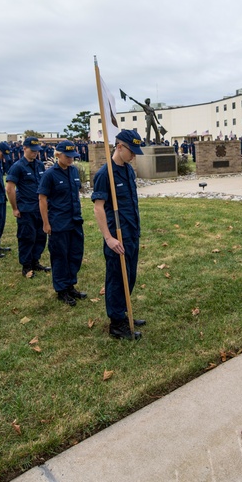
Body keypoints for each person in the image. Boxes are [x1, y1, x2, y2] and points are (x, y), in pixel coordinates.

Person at [91, 130, 146, 340]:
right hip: (117, 237)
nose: (134, 156)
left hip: (132, 232)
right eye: (131, 151)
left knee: (129, 275)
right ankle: (116, 324)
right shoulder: (105, 174)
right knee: (116, 279)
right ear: (119, 147)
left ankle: (125, 313)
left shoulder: (129, 171)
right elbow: (98, 208)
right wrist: (109, 238)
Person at [38, 140, 86, 306]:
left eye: (73, 156)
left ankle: (70, 284)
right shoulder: (49, 174)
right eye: (67, 156)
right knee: (60, 257)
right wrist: (46, 223)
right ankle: (61, 289)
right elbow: (42, 199)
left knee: (75, 254)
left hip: (75, 220)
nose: (71, 159)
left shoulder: (73, 171)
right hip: (58, 222)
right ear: (58, 155)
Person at [6, 136, 49, 277]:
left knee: (40, 237)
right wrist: (14, 208)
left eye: (37, 151)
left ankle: (35, 261)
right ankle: (26, 266)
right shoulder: (17, 166)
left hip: (39, 208)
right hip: (26, 208)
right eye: (32, 150)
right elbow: (10, 188)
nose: (35, 153)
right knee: (27, 237)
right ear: (24, 148)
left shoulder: (40, 165)